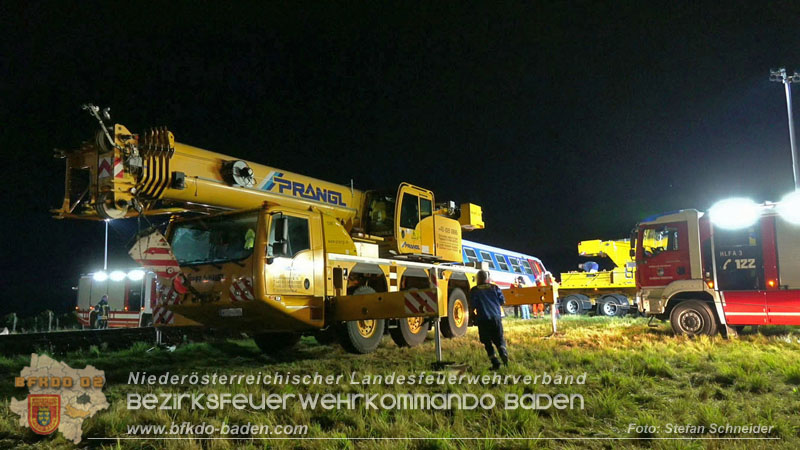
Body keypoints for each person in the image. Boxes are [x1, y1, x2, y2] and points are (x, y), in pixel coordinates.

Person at [470, 270, 508, 370]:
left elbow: (472, 305)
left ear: (478, 279)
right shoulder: (495, 288)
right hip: (496, 318)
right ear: (487, 279)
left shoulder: (474, 290)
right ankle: (503, 351)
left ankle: (495, 363)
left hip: (483, 319)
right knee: (499, 339)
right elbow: (502, 301)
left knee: (487, 342)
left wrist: (473, 316)